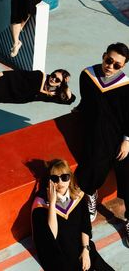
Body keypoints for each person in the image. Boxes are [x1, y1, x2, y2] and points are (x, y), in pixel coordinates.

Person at [74, 43, 129, 245]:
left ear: (123, 67)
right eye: (109, 60)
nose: (110, 66)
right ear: (104, 55)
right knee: (93, 166)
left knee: (128, 172)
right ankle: (91, 195)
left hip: (120, 137)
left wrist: (126, 140)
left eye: (117, 65)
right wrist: (80, 108)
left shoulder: (126, 86)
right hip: (96, 135)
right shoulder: (87, 75)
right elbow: (86, 100)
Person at [32, 159, 114, 271]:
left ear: (70, 178)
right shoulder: (41, 205)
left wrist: (86, 250)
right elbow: (51, 237)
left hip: (81, 245)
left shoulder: (78, 196)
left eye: (64, 177)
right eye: (55, 178)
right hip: (60, 253)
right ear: (49, 181)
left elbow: (85, 226)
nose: (60, 183)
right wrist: (51, 203)